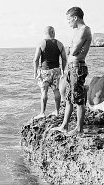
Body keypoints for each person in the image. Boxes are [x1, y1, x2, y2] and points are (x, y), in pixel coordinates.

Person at [52, 7, 92, 136]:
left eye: (69, 20)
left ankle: (79, 129)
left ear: (75, 18)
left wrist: (70, 49)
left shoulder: (85, 29)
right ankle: (64, 126)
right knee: (69, 98)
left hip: (77, 67)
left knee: (79, 99)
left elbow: (73, 51)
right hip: (71, 67)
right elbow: (70, 50)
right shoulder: (77, 31)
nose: (68, 23)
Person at [33, 26, 67, 119]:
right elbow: (64, 58)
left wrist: (35, 72)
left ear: (45, 33)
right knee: (56, 91)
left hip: (44, 71)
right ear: (53, 32)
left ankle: (42, 113)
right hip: (56, 70)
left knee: (44, 92)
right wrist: (63, 70)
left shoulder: (41, 43)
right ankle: (57, 111)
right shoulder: (59, 44)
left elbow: (36, 59)